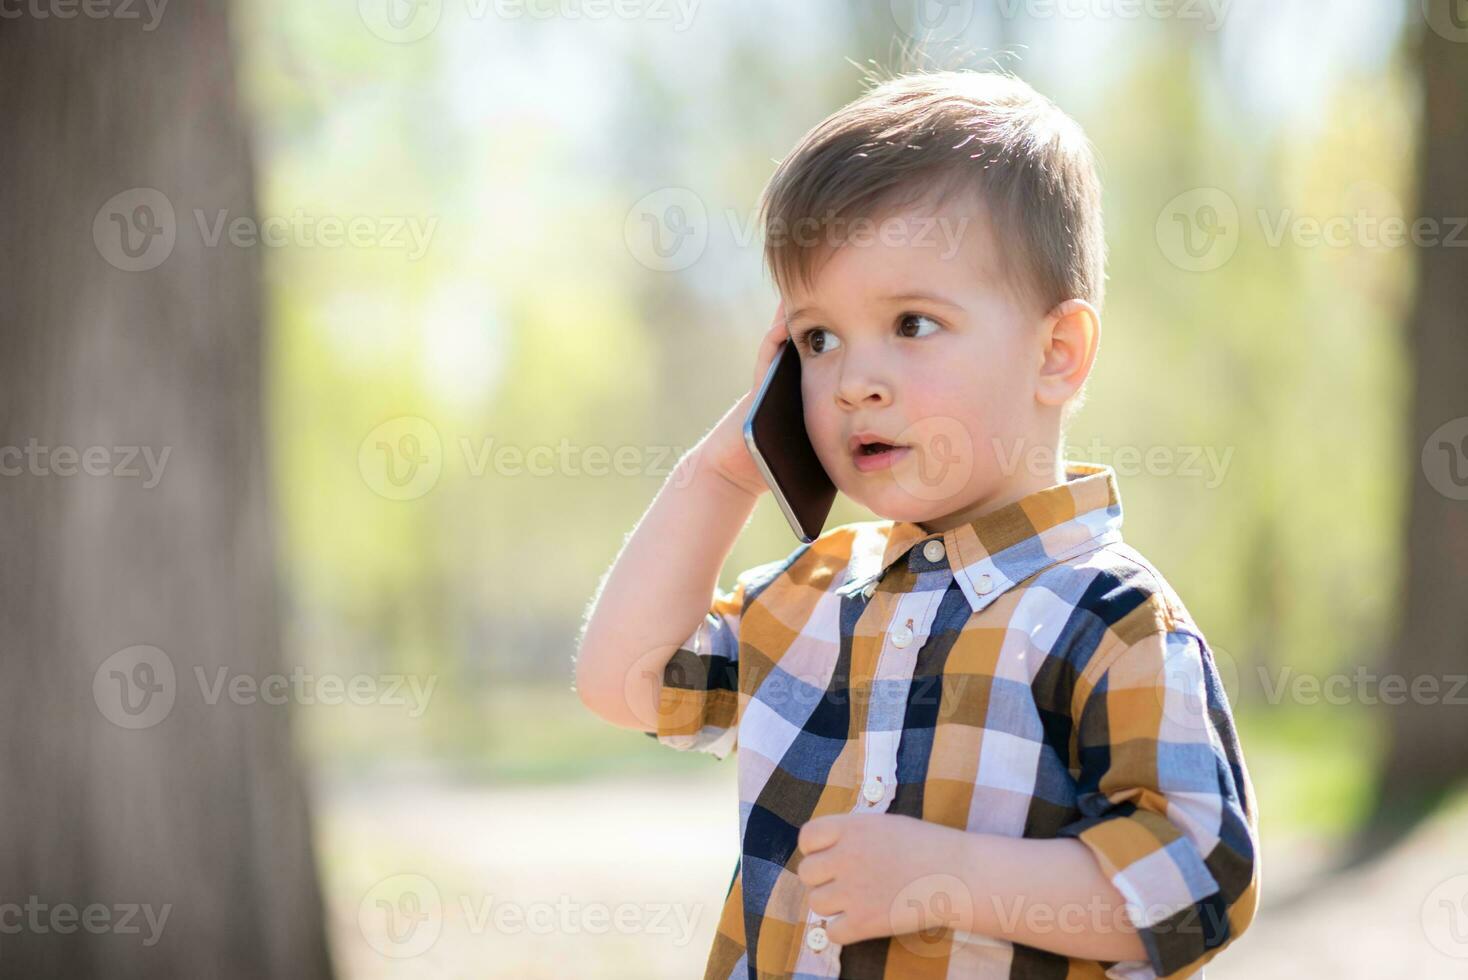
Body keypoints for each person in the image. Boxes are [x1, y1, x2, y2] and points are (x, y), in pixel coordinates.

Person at [575, 67, 1259, 979]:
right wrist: (723, 469)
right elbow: (625, 682)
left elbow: (1200, 882)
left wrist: (952, 877)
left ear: (1056, 353)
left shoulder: (1108, 618)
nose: (855, 380)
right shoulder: (815, 599)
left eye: (912, 322)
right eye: (817, 339)